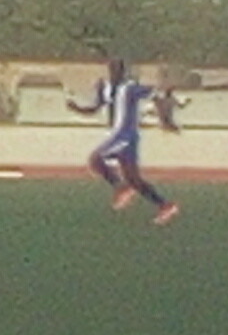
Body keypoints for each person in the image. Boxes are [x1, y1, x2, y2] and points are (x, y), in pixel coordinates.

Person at [68, 59, 181, 224]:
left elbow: (157, 96)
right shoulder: (106, 87)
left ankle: (121, 187)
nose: (115, 73)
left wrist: (165, 119)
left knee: (95, 159)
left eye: (118, 70)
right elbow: (95, 108)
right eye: (113, 69)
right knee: (133, 178)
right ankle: (164, 205)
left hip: (124, 135)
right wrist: (76, 108)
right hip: (125, 137)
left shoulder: (130, 88)